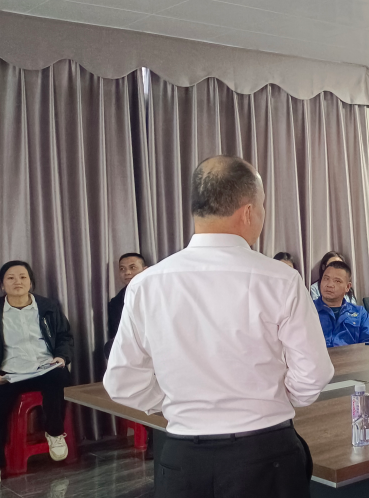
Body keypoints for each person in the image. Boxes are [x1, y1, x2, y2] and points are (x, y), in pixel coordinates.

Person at [104, 156, 333, 498]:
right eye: (263, 205)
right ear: (248, 212)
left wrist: (177, 402)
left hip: (182, 459)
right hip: (265, 453)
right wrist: (272, 397)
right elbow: (313, 374)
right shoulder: (280, 280)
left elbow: (122, 382)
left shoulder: (146, 285)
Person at [0, 261, 74, 492]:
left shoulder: (47, 306)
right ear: (2, 285)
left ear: (31, 282)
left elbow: (64, 336)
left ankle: (55, 432)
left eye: (23, 277)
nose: (17, 281)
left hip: (44, 368)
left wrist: (61, 357)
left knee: (59, 377)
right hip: (8, 372)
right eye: (11, 278)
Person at [315, 262, 369, 347]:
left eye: (337, 281)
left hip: (351, 355)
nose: (329, 285)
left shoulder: (359, 313)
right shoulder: (307, 309)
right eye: (326, 279)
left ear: (347, 287)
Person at [104, 252, 149, 359]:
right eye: (122, 269)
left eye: (132, 267)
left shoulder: (157, 293)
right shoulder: (116, 302)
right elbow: (117, 332)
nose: (127, 272)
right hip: (132, 345)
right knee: (110, 346)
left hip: (157, 340)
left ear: (145, 270)